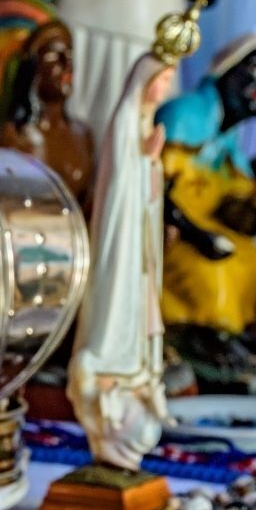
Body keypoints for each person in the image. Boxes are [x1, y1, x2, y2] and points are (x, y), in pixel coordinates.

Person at [66, 53, 175, 470]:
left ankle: (132, 376)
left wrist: (151, 161)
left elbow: (146, 189)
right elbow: (116, 191)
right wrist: (140, 159)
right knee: (117, 300)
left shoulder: (144, 123)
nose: (163, 88)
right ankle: (109, 367)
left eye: (168, 80)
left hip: (139, 243)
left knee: (141, 299)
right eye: (160, 79)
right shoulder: (123, 121)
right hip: (120, 241)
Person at [156, 34, 256, 334]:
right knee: (214, 271)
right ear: (228, 66)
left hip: (204, 228)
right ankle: (205, 336)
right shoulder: (184, 116)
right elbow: (156, 190)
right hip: (170, 233)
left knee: (253, 260)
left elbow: (237, 216)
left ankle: (231, 336)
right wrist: (198, 236)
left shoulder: (230, 142)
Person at [0, 21, 95, 208]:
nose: (67, 64)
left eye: (70, 54)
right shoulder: (13, 138)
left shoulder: (84, 135)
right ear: (33, 69)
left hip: (73, 234)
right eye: (54, 56)